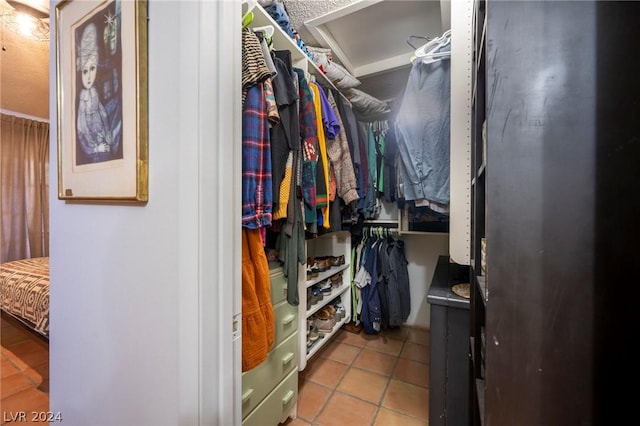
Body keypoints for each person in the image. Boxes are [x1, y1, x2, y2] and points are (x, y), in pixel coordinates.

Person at [76, 22, 112, 164]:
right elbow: (82, 128)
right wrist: (96, 147)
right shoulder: (83, 98)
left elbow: (102, 112)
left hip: (101, 137)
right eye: (85, 71)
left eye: (92, 69)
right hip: (93, 146)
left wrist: (108, 132)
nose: (89, 76)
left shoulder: (95, 92)